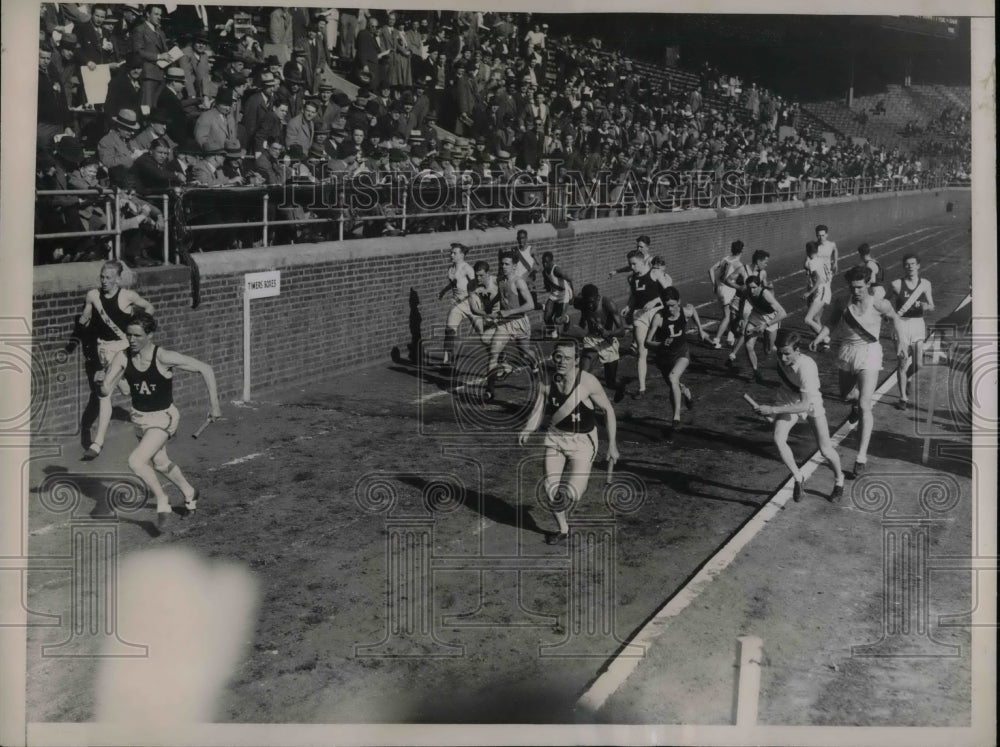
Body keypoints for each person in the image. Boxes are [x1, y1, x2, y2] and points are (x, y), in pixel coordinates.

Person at [99, 311, 220, 531]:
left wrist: (214, 405)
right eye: (129, 335)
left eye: (137, 336)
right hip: (139, 418)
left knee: (136, 461)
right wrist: (103, 380)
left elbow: (206, 369)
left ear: (150, 335)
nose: (132, 340)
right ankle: (190, 492)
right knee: (161, 464)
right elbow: (118, 390)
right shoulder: (123, 356)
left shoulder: (163, 356)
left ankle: (162, 501)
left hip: (163, 418)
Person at [518, 339, 619, 545]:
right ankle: (563, 529)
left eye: (567, 358)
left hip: (583, 443)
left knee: (573, 492)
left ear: (576, 360)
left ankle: (565, 509)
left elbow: (608, 410)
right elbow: (538, 408)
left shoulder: (588, 382)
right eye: (558, 357)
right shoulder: (547, 382)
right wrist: (529, 428)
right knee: (550, 489)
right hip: (556, 438)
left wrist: (612, 445)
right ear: (553, 357)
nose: (562, 362)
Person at [810, 266, 906, 477]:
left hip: (870, 353)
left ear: (868, 284)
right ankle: (855, 406)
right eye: (853, 287)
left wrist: (900, 344)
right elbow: (831, 322)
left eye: (860, 287)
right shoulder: (842, 301)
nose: (857, 292)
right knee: (846, 396)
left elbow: (896, 320)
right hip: (847, 351)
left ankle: (861, 457)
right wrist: (819, 337)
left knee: (865, 405)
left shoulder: (879, 304)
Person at [751, 330, 845, 503]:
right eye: (780, 353)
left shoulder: (807, 367)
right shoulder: (780, 357)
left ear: (797, 350)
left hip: (810, 402)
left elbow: (804, 404)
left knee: (825, 449)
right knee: (779, 438)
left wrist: (772, 410)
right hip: (787, 397)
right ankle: (798, 476)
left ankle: (839, 480)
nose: (783, 358)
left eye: (787, 354)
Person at [78, 261, 155, 458]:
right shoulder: (93, 295)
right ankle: (153, 418)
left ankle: (97, 443)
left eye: (108, 278)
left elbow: (148, 307)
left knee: (104, 391)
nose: (104, 281)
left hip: (122, 348)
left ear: (118, 279)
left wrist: (140, 329)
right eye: (102, 277)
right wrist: (83, 321)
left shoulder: (128, 296)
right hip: (102, 348)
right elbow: (85, 315)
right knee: (126, 389)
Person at [644, 286, 710, 431]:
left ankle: (676, 417)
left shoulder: (684, 312)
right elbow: (646, 342)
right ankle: (685, 391)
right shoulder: (659, 318)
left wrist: (700, 330)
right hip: (663, 357)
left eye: (673, 306)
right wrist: (660, 344)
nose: (670, 309)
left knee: (673, 378)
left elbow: (693, 309)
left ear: (679, 302)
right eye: (666, 306)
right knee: (673, 385)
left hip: (681, 353)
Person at [482, 251, 539, 402]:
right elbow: (500, 297)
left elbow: (531, 305)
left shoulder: (519, 282)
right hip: (504, 325)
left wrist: (510, 312)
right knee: (493, 353)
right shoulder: (500, 280)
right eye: (502, 263)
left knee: (525, 354)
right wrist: (488, 304)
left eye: (507, 264)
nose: (503, 266)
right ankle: (490, 390)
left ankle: (535, 366)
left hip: (519, 322)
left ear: (514, 266)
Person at [889, 254, 935, 410]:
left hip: (917, 325)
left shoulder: (925, 284)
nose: (910, 267)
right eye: (907, 264)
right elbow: (886, 302)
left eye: (913, 264)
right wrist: (889, 315)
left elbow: (932, 305)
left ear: (918, 266)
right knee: (901, 362)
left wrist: (924, 306)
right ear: (904, 266)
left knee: (919, 364)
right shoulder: (896, 284)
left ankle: (907, 377)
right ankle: (903, 398)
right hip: (901, 325)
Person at [726, 276, 788, 384]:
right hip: (756, 315)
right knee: (748, 345)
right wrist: (741, 317)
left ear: (759, 286)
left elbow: (783, 313)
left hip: (771, 318)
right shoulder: (746, 291)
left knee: (768, 351)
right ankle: (756, 372)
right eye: (750, 288)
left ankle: (767, 340)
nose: (752, 290)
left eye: (754, 287)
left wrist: (766, 325)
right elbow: (741, 301)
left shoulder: (766, 294)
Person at [620, 248, 664, 399]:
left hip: (657, 312)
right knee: (641, 350)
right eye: (630, 264)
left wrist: (655, 301)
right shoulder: (632, 278)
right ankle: (642, 388)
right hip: (640, 314)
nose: (632, 268)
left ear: (643, 261)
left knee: (665, 348)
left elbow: (669, 292)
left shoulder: (654, 273)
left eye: (634, 264)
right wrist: (628, 306)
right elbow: (633, 296)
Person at [573, 283, 626, 390]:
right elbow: (574, 303)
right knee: (583, 375)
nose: (590, 305)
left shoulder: (608, 303)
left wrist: (608, 333)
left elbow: (622, 331)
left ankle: (621, 388)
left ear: (598, 297)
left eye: (592, 302)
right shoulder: (582, 303)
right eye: (587, 302)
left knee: (611, 384)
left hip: (607, 341)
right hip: (591, 340)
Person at [437, 242, 476, 367]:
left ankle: (500, 356)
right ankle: (448, 361)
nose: (451, 255)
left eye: (455, 253)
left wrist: (462, 298)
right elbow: (454, 283)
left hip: (470, 303)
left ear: (462, 255)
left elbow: (475, 287)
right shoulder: (451, 269)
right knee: (449, 330)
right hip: (457, 305)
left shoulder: (467, 268)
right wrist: (444, 291)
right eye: (451, 252)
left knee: (484, 333)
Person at [708, 240, 746, 348]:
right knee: (728, 316)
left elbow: (710, 269)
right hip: (728, 290)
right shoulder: (738, 264)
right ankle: (717, 339)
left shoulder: (725, 259)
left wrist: (714, 284)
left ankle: (730, 338)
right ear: (742, 250)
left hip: (720, 289)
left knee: (730, 314)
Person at [802, 240, 833, 347]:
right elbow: (806, 266)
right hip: (825, 289)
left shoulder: (812, 262)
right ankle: (824, 340)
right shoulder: (819, 259)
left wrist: (808, 292)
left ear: (807, 251)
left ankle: (826, 337)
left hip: (821, 290)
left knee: (807, 319)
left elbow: (818, 280)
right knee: (814, 318)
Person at [540, 251, 574, 339]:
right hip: (554, 294)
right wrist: (534, 290)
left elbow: (570, 279)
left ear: (551, 261)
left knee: (557, 320)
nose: (544, 264)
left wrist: (572, 295)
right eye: (543, 262)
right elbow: (547, 288)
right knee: (546, 316)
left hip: (564, 294)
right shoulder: (544, 273)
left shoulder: (556, 270)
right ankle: (553, 332)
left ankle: (567, 319)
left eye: (546, 262)